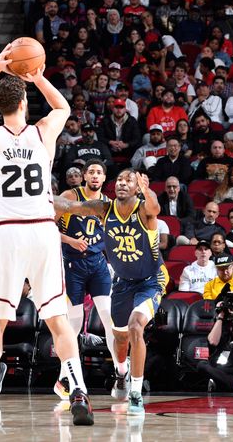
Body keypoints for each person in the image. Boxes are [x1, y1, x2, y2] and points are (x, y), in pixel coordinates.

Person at [0, 46, 94, 426]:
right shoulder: (42, 133)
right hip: (41, 232)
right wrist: (36, 76)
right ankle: (80, 392)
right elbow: (63, 109)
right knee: (58, 320)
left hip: (6, 234)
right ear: (24, 100)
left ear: (1, 105)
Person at [56, 168, 167, 415]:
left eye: (129, 180)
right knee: (120, 338)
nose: (122, 183)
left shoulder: (144, 210)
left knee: (136, 326)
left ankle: (136, 392)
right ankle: (121, 372)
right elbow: (68, 206)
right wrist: (35, 196)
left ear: (137, 187)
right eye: (119, 180)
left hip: (150, 280)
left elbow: (155, 208)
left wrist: (146, 189)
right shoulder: (104, 209)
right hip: (123, 282)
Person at [54, 159, 118, 400]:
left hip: (98, 264)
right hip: (73, 264)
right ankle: (64, 378)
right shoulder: (69, 195)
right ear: (83, 176)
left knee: (109, 318)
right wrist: (70, 241)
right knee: (74, 322)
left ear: (103, 179)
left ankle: (120, 372)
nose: (94, 176)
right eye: (90, 172)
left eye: (99, 172)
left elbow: (113, 235)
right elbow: (48, 226)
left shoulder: (109, 204)